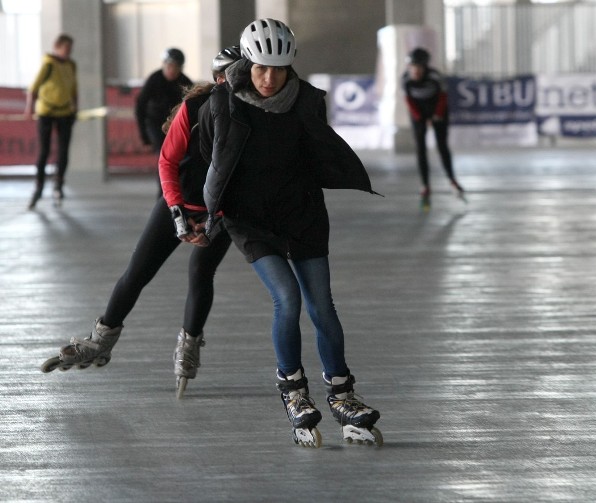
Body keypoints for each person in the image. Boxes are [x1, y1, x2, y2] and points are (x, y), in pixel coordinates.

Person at [199, 18, 382, 447]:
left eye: (278, 69)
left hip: (300, 213)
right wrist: (197, 211)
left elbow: (318, 152)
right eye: (261, 67)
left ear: (290, 67)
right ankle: (294, 392)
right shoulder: (221, 105)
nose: (268, 77)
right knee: (287, 297)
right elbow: (210, 162)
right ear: (247, 62)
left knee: (323, 306)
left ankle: (342, 395)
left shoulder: (306, 102)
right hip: (250, 220)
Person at [41, 48, 240, 400]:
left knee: (200, 274)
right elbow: (167, 161)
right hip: (177, 203)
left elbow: (246, 179)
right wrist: (177, 211)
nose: (236, 84)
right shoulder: (195, 108)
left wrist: (214, 219)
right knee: (136, 273)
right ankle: (101, 340)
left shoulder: (251, 117)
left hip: (220, 211)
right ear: (218, 79)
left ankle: (189, 346)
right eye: (229, 77)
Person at [401, 47, 464, 211]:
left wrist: (436, 116)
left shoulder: (436, 77)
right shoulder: (405, 79)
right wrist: (420, 118)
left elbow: (443, 98)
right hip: (418, 112)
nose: (415, 71)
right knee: (420, 148)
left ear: (425, 67)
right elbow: (409, 101)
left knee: (442, 146)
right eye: (412, 67)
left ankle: (452, 180)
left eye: (419, 67)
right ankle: (425, 185)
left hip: (437, 110)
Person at [25, 33, 78, 210]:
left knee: (63, 150)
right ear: (57, 47)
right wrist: (29, 108)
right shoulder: (48, 64)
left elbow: (73, 89)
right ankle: (39, 187)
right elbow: (33, 88)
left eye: (70, 50)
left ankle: (58, 183)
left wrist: (75, 107)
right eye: (66, 49)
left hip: (65, 112)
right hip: (46, 112)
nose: (68, 52)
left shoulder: (71, 65)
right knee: (44, 150)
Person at [135, 47, 193, 195]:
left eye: (176, 67)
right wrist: (144, 136)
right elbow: (140, 106)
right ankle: (163, 193)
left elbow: (193, 106)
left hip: (175, 126)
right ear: (164, 65)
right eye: (169, 66)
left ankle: (178, 190)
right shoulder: (154, 79)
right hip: (155, 124)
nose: (172, 70)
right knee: (165, 155)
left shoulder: (185, 83)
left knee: (180, 158)